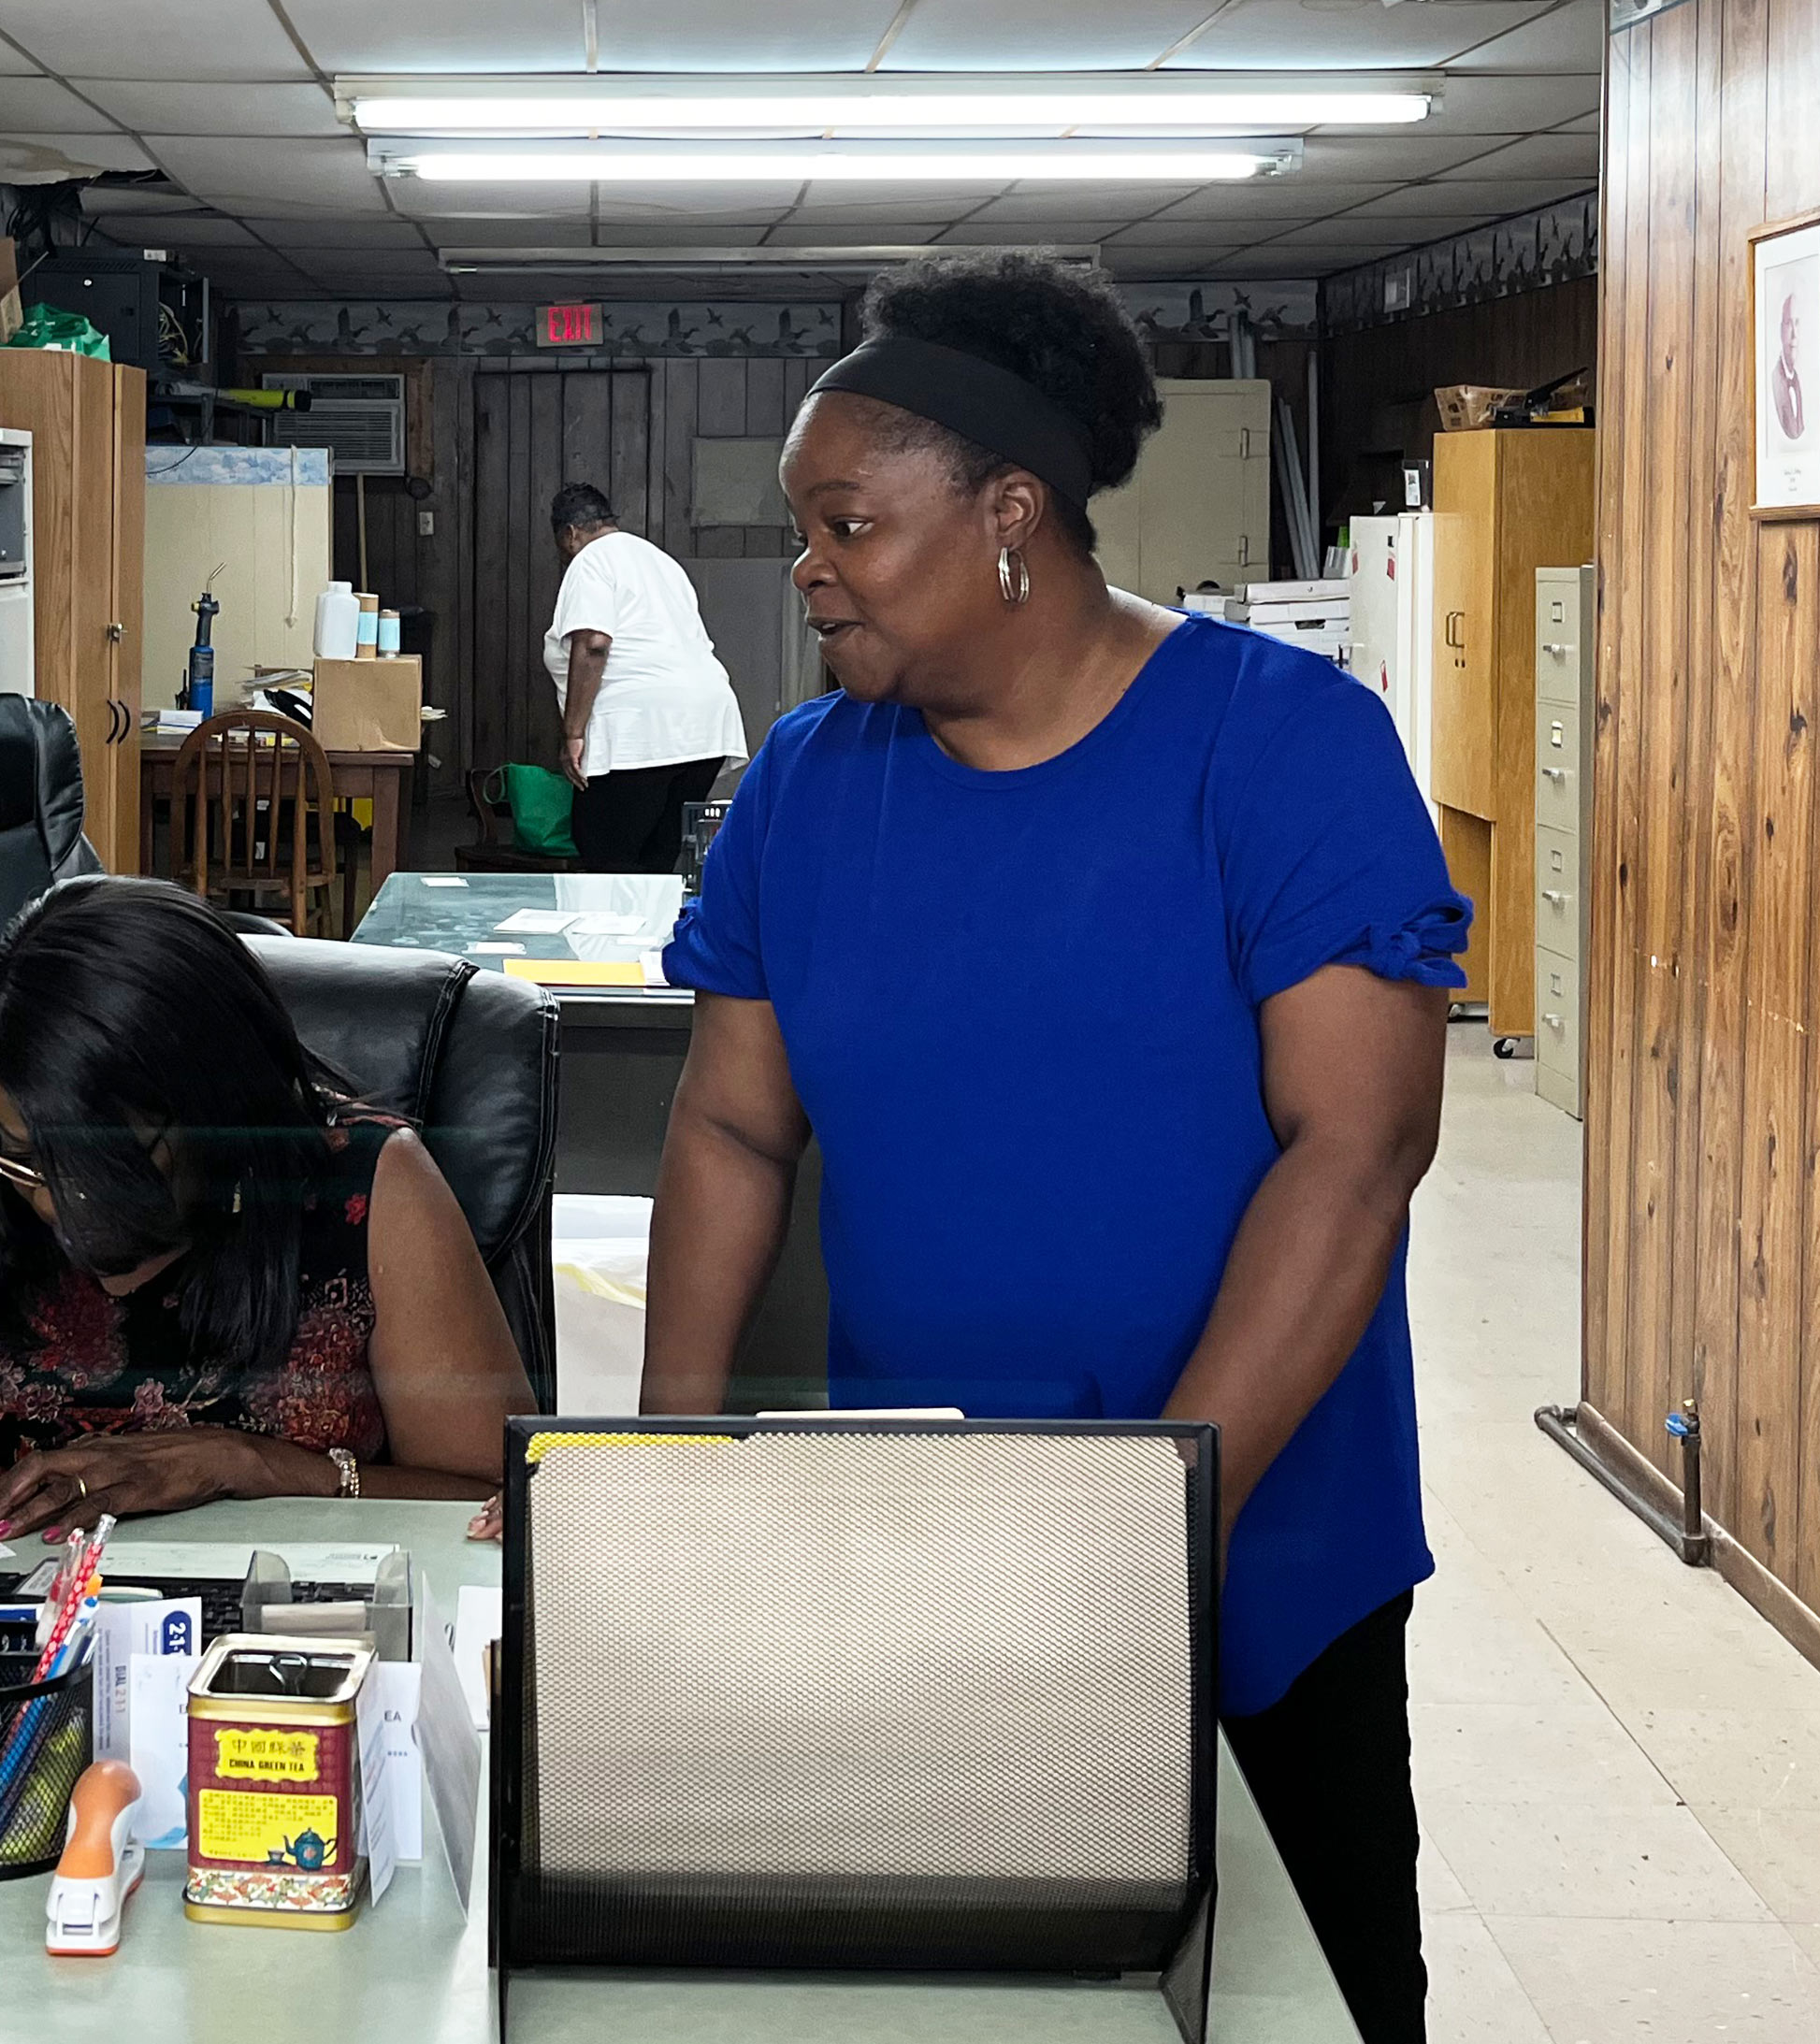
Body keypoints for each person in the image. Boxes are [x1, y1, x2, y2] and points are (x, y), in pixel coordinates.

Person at [644, 253, 1462, 2044]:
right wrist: (665, 1474)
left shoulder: (1278, 747)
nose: (807, 567)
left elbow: (1355, 1152)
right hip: (919, 1548)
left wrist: (1155, 1528)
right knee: (969, 1997)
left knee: (1292, 1999)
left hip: (1255, 1549)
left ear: (1008, 514)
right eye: (804, 527)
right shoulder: (804, 777)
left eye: (847, 522)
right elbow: (723, 1122)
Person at [0, 875, 535, 1540]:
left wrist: (250, 1465)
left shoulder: (370, 1189)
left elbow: (507, 1499)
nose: (57, 1199)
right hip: (6, 1648)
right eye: (27, 1157)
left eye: (108, 1163)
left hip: (284, 1649)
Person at [542, 484, 748, 872]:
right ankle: (653, 934)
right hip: (703, 728)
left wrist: (573, 733)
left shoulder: (591, 560)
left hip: (639, 731)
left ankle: (607, 936)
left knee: (606, 864)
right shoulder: (661, 561)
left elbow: (593, 643)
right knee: (655, 867)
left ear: (570, 533)